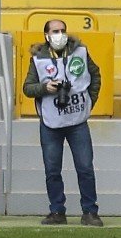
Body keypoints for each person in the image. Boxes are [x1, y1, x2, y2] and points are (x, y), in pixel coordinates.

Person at [22, 19, 103, 227]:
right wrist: (45, 88)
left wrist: (89, 101)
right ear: (46, 35)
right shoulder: (38, 59)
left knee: (85, 167)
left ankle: (90, 211)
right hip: (51, 122)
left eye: (62, 30)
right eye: (55, 31)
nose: (60, 34)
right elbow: (27, 88)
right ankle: (57, 211)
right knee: (52, 169)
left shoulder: (80, 52)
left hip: (77, 120)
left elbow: (95, 75)